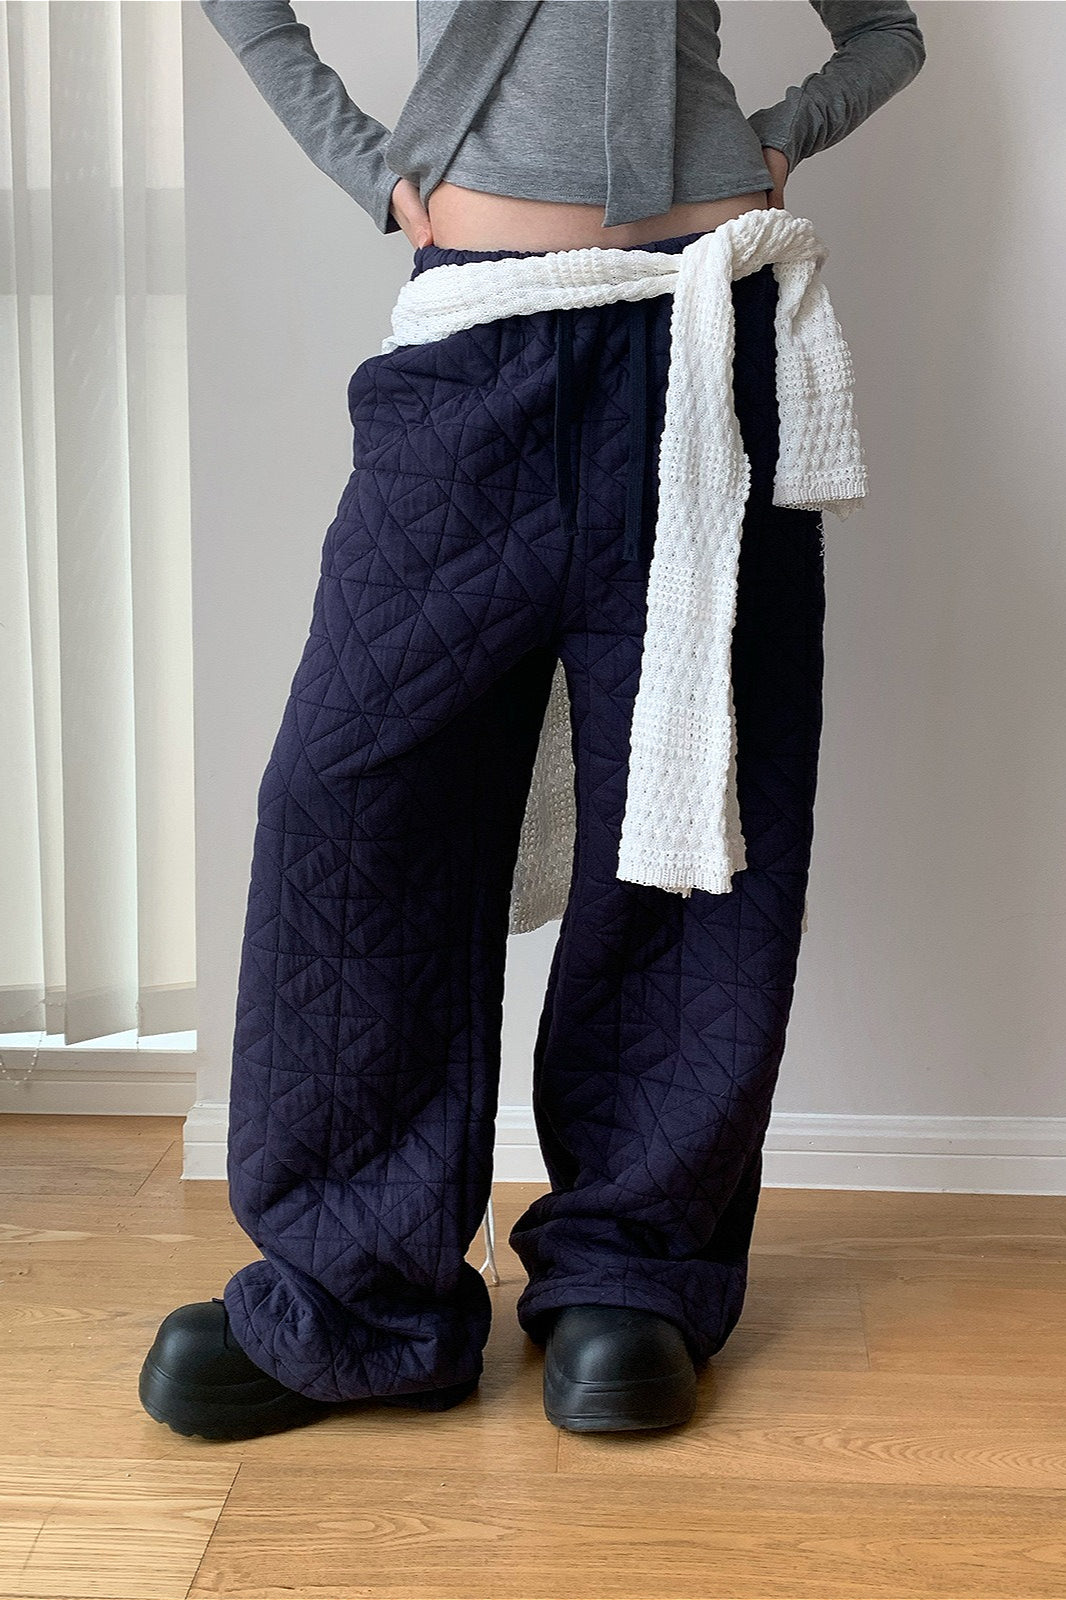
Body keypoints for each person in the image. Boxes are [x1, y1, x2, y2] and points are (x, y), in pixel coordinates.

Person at [139, 0, 925, 1441]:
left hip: (702, 344)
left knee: (696, 807)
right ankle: (357, 1294)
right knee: (350, 799)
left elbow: (886, 30)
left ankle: (633, 1268)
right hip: (472, 340)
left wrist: (775, 142)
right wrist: (368, 164)